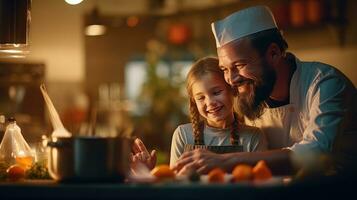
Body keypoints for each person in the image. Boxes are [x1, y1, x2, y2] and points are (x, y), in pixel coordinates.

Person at [173, 5, 357, 176]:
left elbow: (318, 153)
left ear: (274, 53)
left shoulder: (325, 84)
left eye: (239, 65)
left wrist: (226, 160)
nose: (231, 79)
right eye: (224, 69)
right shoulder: (251, 97)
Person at [131, 57, 268, 173]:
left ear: (232, 90)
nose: (210, 102)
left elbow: (259, 187)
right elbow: (174, 188)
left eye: (216, 92)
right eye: (201, 97)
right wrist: (144, 173)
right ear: (193, 102)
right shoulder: (183, 135)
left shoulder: (253, 137)